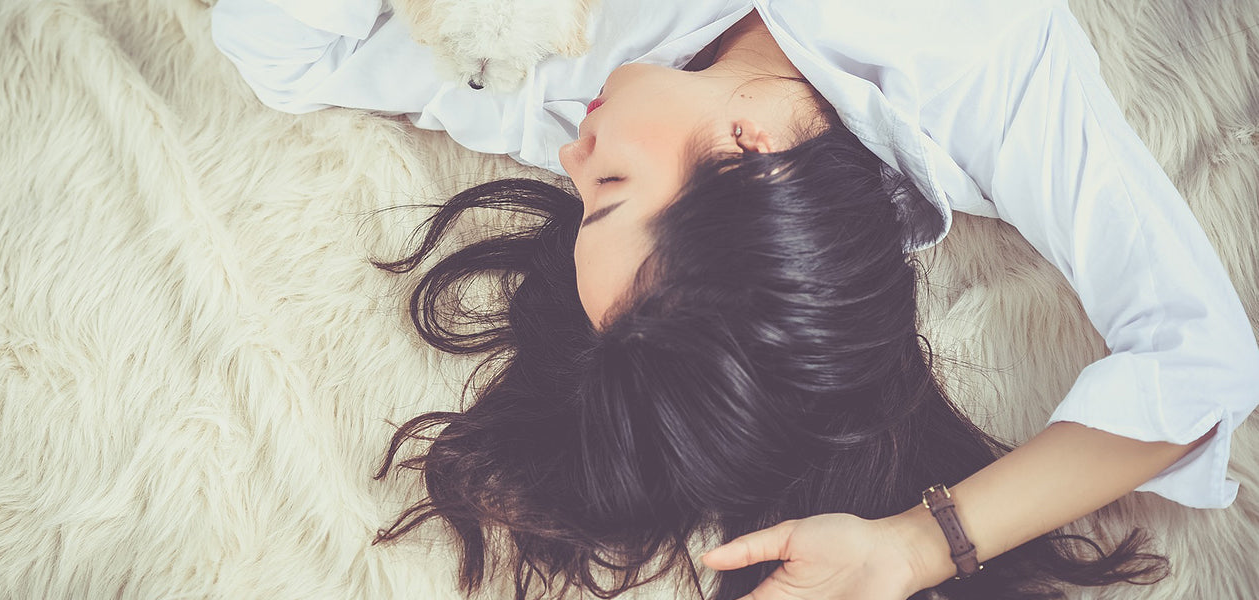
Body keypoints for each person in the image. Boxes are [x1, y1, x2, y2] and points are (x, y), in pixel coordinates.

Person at [210, 1, 1259, 599]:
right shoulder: (970, 61)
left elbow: (285, 54)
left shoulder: (569, 88)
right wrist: (917, 547)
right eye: (608, 192)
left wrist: (916, 542)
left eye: (579, 201)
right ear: (750, 158)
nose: (573, 156)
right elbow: (1201, 361)